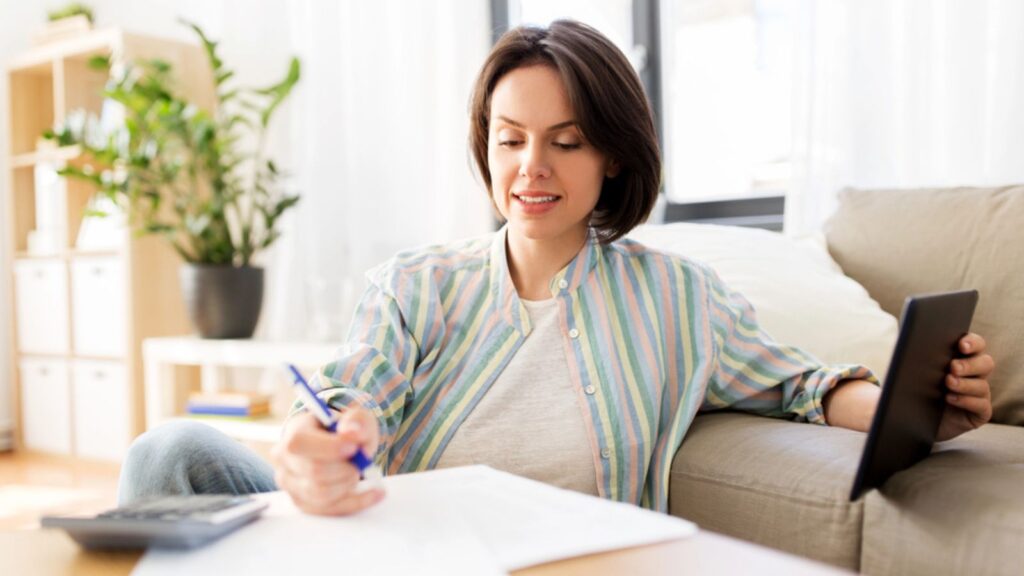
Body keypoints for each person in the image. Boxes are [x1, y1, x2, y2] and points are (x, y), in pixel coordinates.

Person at [119, 20, 995, 516]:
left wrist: (917, 408)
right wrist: (329, 439)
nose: (531, 168)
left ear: (612, 155)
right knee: (171, 452)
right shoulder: (417, 284)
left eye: (566, 143)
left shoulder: (677, 298)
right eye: (510, 140)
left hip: (562, 560)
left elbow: (800, 384)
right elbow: (362, 393)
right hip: (392, 543)